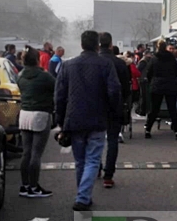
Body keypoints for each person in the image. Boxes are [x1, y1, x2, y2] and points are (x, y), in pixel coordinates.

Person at [55, 30, 122, 211]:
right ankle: (83, 197)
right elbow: (114, 91)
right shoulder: (105, 65)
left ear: (81, 44)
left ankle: (83, 195)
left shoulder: (68, 66)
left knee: (80, 161)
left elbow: (59, 96)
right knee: (93, 159)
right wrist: (114, 112)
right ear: (97, 45)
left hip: (74, 118)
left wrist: (60, 121)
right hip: (97, 118)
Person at [14, 47, 56, 198]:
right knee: (36, 154)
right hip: (40, 114)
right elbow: (56, 88)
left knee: (26, 152)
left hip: (24, 114)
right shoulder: (45, 77)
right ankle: (34, 186)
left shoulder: (20, 76)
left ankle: (25, 185)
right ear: (38, 59)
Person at [98, 32, 131, 189]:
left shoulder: (93, 62)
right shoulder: (119, 64)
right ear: (111, 45)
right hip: (115, 106)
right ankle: (108, 175)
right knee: (112, 140)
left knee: (95, 140)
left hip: (95, 106)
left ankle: (95, 166)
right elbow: (126, 87)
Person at [145, 39, 177, 140]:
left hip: (157, 85)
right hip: (170, 84)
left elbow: (149, 72)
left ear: (157, 47)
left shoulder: (154, 58)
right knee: (172, 109)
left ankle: (148, 129)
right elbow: (176, 71)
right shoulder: (171, 58)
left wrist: (152, 81)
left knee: (154, 109)